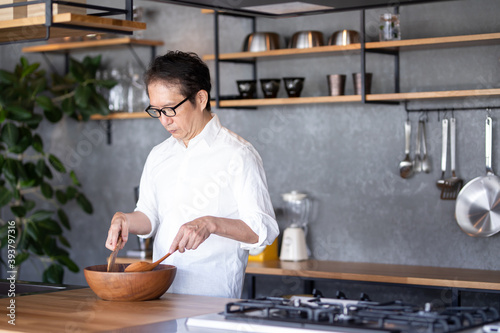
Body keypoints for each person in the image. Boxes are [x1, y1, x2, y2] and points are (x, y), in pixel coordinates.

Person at [105, 50, 279, 298]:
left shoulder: (238, 154)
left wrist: (211, 223)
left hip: (211, 300)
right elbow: (149, 215)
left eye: (170, 109)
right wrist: (125, 220)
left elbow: (261, 229)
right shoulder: (159, 154)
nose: (164, 121)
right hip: (159, 296)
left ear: (200, 98)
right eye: (156, 110)